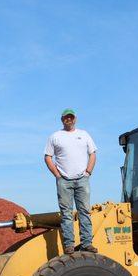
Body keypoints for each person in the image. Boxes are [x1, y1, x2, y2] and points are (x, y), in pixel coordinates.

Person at [44, 109, 98, 254]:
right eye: (66, 118)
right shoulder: (55, 136)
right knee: (66, 214)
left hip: (82, 179)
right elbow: (48, 157)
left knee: (84, 212)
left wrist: (88, 172)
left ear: (75, 119)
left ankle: (87, 243)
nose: (69, 119)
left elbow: (92, 153)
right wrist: (57, 174)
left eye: (71, 117)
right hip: (64, 180)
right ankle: (69, 245)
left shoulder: (84, 134)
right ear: (62, 119)